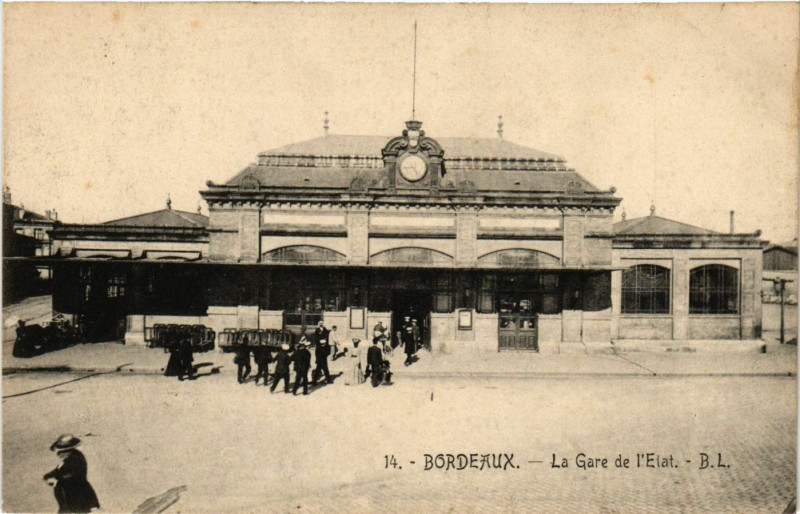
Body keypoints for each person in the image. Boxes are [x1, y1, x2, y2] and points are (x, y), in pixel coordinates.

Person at [43, 434, 100, 513]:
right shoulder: (69, 459)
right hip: (71, 493)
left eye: (61, 452)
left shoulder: (75, 459)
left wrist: (57, 478)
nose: (59, 455)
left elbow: (71, 473)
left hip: (77, 493)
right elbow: (59, 470)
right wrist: (49, 476)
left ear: (68, 450)